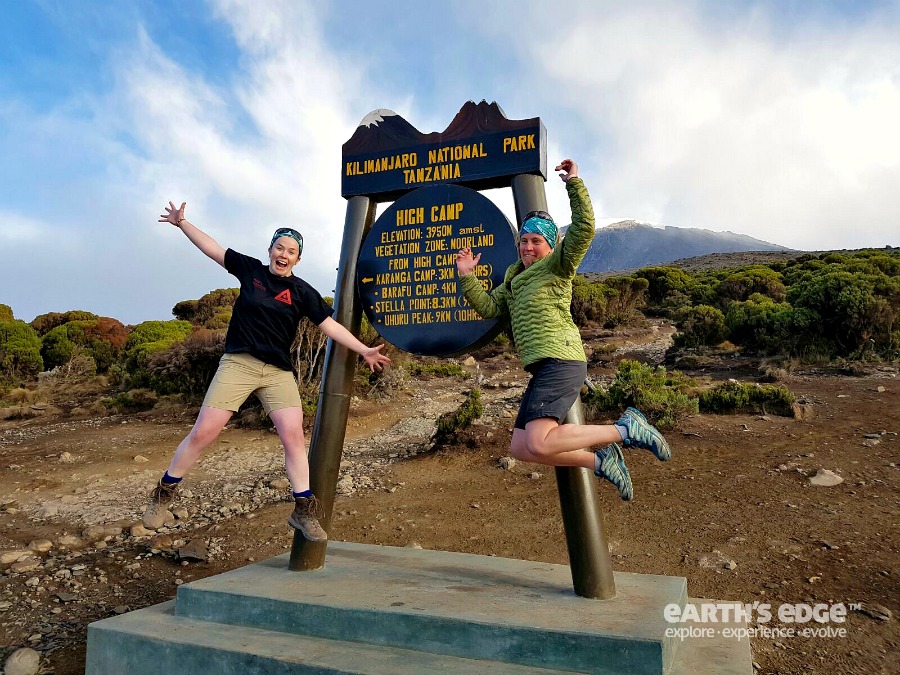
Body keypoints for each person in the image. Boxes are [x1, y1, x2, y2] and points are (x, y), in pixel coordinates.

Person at [142, 201, 391, 541]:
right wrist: (182, 223)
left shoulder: (303, 292)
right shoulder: (251, 272)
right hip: (239, 365)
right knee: (204, 433)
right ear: (270, 250)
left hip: (277, 372)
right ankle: (164, 492)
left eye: (291, 251)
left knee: (293, 438)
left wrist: (363, 349)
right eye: (279, 247)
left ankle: (303, 510)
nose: (283, 254)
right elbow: (212, 248)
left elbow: (329, 326)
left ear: (297, 259)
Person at [455, 159, 670, 501]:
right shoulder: (513, 279)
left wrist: (574, 183)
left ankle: (625, 429)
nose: (527, 247)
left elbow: (584, 229)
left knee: (540, 440)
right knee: (523, 447)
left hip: (561, 359)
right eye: (524, 241)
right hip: (542, 366)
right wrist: (467, 274)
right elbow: (488, 308)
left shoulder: (558, 266)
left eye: (536, 241)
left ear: (551, 246)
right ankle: (600, 461)